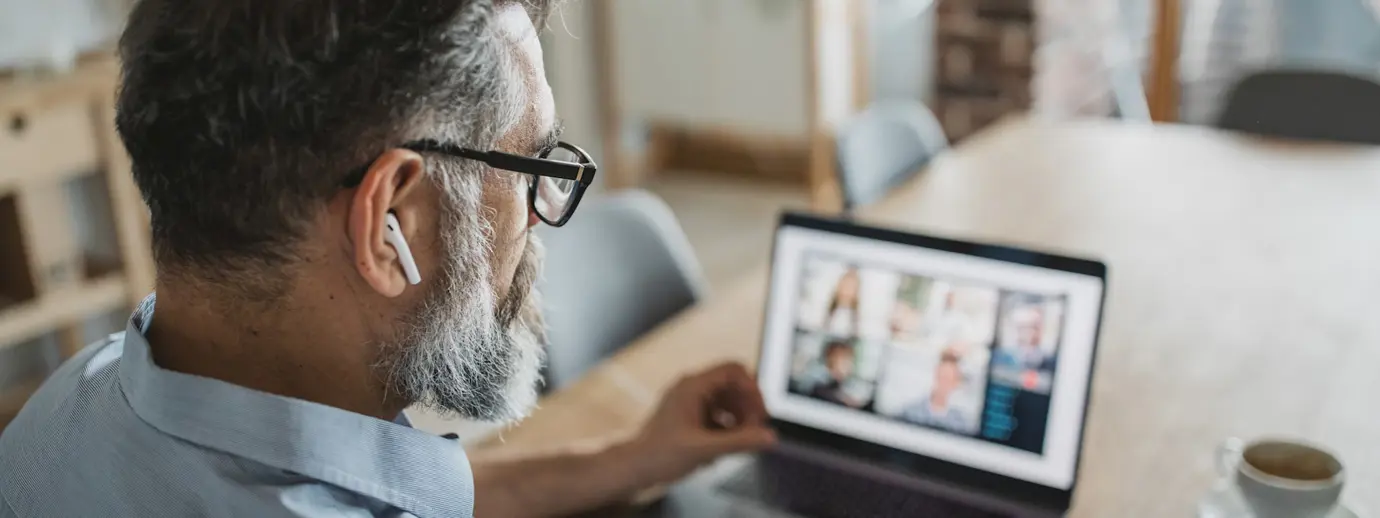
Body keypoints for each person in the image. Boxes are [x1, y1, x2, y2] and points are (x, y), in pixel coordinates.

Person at [0, 2, 776, 517]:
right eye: (533, 168)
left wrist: (635, 457)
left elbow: (414, 495)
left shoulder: (69, 403)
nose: (542, 221)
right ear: (390, 225)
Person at [900, 352, 972, 432]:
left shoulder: (960, 423)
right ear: (935, 375)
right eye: (941, 376)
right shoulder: (910, 412)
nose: (943, 383)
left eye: (949, 379)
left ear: (955, 383)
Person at [994, 304, 1056, 373]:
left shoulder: (1049, 361)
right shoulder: (1003, 356)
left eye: (1035, 327)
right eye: (1025, 327)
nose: (1029, 332)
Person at [809, 341, 863, 408]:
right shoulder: (821, 386)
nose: (850, 365)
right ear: (834, 360)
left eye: (851, 361)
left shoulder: (847, 387)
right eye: (846, 361)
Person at [822, 267, 862, 337]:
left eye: (851, 287)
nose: (847, 290)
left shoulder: (858, 321)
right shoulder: (826, 313)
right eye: (845, 285)